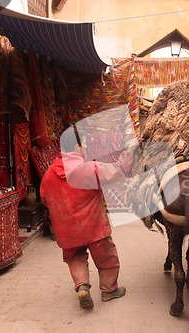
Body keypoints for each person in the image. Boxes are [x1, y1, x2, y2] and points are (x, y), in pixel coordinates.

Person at [40, 129, 129, 309]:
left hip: (67, 231)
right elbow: (117, 171)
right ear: (77, 146)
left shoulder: (49, 173)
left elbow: (44, 198)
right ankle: (109, 290)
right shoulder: (87, 168)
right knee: (106, 257)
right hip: (93, 226)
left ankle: (82, 286)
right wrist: (130, 151)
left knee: (75, 257)